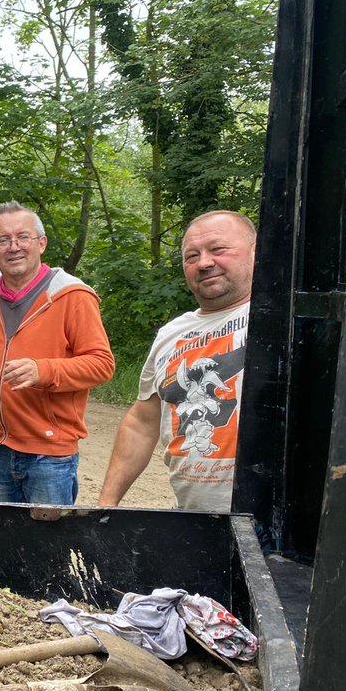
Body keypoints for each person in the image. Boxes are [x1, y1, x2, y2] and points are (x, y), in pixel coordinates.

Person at [0, 201, 114, 504]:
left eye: (23, 237)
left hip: (48, 457)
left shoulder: (71, 295)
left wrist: (44, 371)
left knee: (49, 548)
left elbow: (102, 364)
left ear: (41, 243)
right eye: (3, 240)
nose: (14, 247)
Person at [98, 211, 256, 511]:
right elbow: (142, 423)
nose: (204, 262)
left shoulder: (283, 322)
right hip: (190, 518)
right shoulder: (172, 334)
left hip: (270, 531)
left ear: (256, 252)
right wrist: (106, 505)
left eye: (218, 249)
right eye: (191, 256)